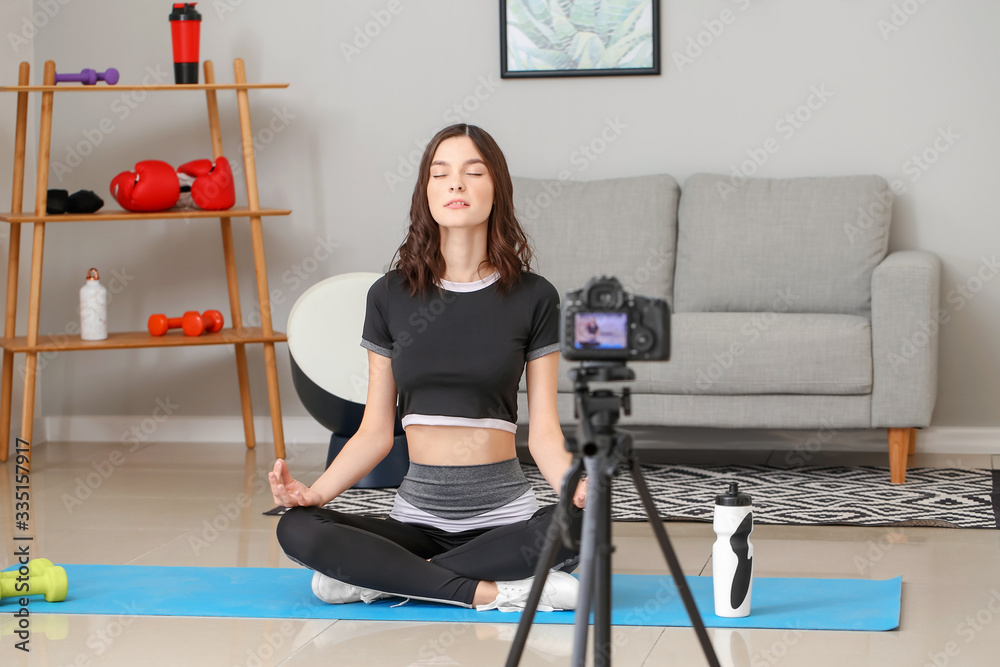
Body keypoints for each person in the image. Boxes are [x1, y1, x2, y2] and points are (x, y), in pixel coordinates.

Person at [271, 123, 586, 612]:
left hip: (506, 522)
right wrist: (312, 493)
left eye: (472, 172)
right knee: (296, 526)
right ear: (426, 193)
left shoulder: (534, 297)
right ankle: (497, 591)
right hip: (415, 526)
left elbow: (545, 434)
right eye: (440, 174)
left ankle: (382, 579)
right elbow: (375, 433)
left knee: (584, 523)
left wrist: (577, 487)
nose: (455, 184)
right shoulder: (390, 295)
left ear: (496, 188)